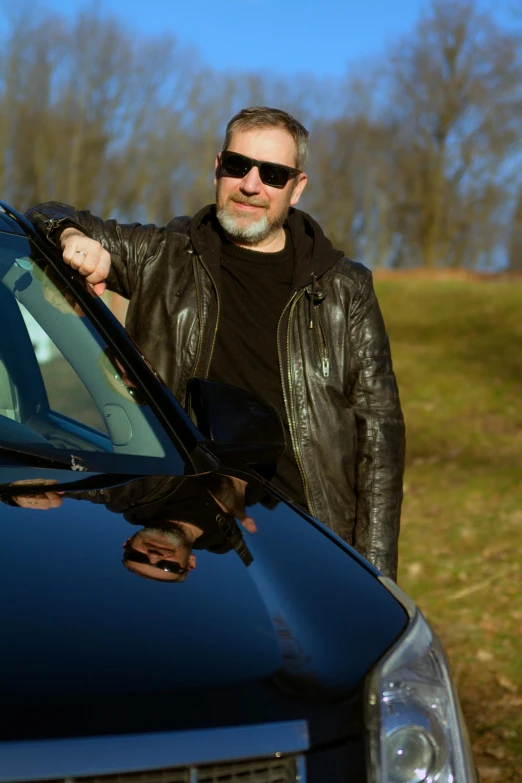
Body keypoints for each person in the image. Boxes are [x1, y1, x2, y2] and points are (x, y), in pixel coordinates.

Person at [25, 106, 405, 580]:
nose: (251, 184)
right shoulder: (160, 256)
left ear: (297, 187)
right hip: (184, 506)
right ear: (217, 168)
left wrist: (376, 578)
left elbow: (380, 441)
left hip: (311, 536)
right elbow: (43, 215)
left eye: (273, 173)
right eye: (237, 166)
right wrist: (74, 236)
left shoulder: (345, 288)